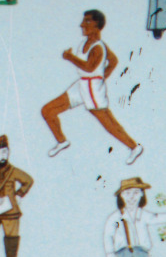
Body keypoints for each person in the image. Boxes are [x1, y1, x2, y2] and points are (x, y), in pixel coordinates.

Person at [40, 10, 142, 163]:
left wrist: (71, 58)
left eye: (87, 21)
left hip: (92, 88)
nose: (82, 25)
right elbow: (113, 61)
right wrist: (102, 75)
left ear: (97, 25)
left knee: (107, 123)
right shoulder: (86, 43)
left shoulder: (98, 47)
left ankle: (134, 147)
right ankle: (62, 141)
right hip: (81, 84)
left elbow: (89, 67)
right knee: (48, 110)